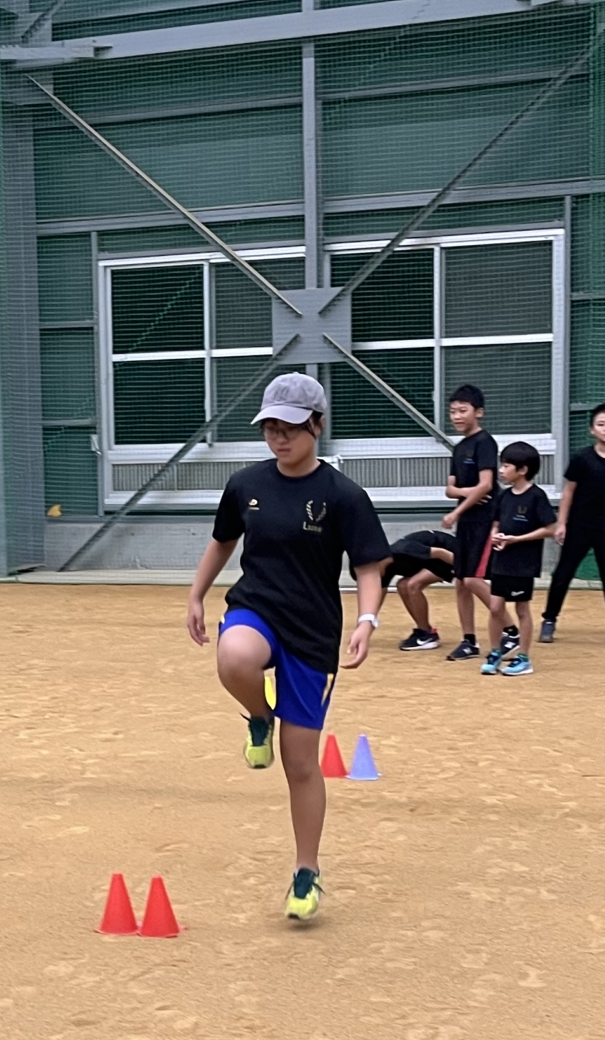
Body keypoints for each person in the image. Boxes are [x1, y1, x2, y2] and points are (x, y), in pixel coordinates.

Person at [186, 371, 391, 923]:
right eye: (271, 428)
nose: (280, 438)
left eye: (292, 428)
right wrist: (197, 595)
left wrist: (366, 620)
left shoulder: (343, 496)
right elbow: (223, 540)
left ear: (318, 427)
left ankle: (306, 870)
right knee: (234, 657)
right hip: (257, 608)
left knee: (301, 763)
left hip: (313, 633)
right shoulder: (245, 484)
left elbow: (370, 567)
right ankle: (259, 717)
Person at [539, 402, 605, 646]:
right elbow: (568, 492)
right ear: (592, 430)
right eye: (601, 424)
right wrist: (561, 524)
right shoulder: (581, 458)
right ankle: (549, 620)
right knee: (563, 573)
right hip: (578, 526)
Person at [481, 441, 556, 675]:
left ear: (522, 470)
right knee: (495, 608)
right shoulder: (503, 497)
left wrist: (517, 539)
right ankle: (495, 652)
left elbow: (550, 528)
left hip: (524, 564)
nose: (501, 471)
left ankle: (523, 658)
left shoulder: (536, 497)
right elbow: (495, 523)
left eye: (506, 466)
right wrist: (496, 537)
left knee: (522, 609)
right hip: (501, 561)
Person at [440, 385, 500, 662]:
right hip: (467, 521)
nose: (456, 416)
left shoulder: (485, 442)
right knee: (460, 582)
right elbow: (450, 489)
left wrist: (456, 512)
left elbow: (487, 485)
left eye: (462, 410)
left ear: (479, 412)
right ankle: (469, 641)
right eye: (453, 411)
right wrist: (468, 494)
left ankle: (510, 628)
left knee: (474, 579)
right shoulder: (459, 447)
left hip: (484, 521)